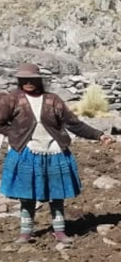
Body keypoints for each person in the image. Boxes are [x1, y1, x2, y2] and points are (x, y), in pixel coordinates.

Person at [0, 63, 113, 245]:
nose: (28, 83)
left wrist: (98, 135)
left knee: (56, 192)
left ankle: (59, 230)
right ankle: (26, 232)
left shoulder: (52, 100)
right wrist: (14, 134)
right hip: (26, 151)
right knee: (26, 194)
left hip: (54, 151)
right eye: (24, 79)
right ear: (19, 80)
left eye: (32, 79)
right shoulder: (11, 99)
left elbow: (73, 124)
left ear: (39, 80)